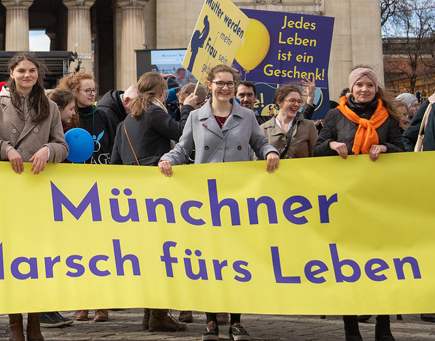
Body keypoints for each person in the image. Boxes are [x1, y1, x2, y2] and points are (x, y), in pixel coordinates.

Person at [158, 65, 279, 341]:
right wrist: (167, 159)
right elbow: (182, 148)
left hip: (238, 199)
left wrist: (270, 151)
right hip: (206, 199)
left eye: (229, 83)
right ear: (209, 85)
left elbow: (261, 143)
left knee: (237, 260)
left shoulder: (246, 115)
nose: (225, 87)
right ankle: (210, 321)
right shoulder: (196, 117)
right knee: (211, 261)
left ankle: (237, 321)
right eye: (220, 83)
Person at [0, 53, 69, 341]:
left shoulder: (51, 106)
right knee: (12, 260)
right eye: (21, 70)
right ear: (11, 73)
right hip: (8, 190)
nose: (27, 75)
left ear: (37, 74)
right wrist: (6, 148)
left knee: (39, 258)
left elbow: (62, 145)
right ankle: (16, 323)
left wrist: (49, 151)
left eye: (31, 71)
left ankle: (35, 324)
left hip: (39, 189)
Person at [313, 65, 404, 341]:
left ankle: (383, 324)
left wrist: (387, 148)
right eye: (359, 85)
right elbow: (317, 150)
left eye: (369, 85)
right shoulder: (334, 115)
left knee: (381, 263)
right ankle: (351, 327)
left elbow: (405, 150)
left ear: (376, 89)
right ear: (351, 88)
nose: (364, 90)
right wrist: (330, 146)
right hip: (345, 200)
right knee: (348, 264)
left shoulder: (387, 117)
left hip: (379, 200)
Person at [110, 72, 185, 333]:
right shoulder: (155, 113)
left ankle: (150, 313)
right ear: (161, 92)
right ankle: (158, 315)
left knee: (148, 254)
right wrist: (186, 109)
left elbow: (114, 164)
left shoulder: (124, 124)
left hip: (134, 198)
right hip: (159, 193)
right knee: (164, 253)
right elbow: (182, 133)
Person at [56, 72, 117, 165]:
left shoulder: (102, 115)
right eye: (88, 90)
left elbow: (112, 146)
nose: (92, 94)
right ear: (74, 91)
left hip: (102, 174)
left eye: (94, 90)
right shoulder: (67, 117)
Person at [260, 84, 319, 159]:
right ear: (279, 102)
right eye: (292, 100)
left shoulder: (308, 126)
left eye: (299, 101)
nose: (296, 104)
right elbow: (257, 160)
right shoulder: (264, 129)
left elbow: (317, 155)